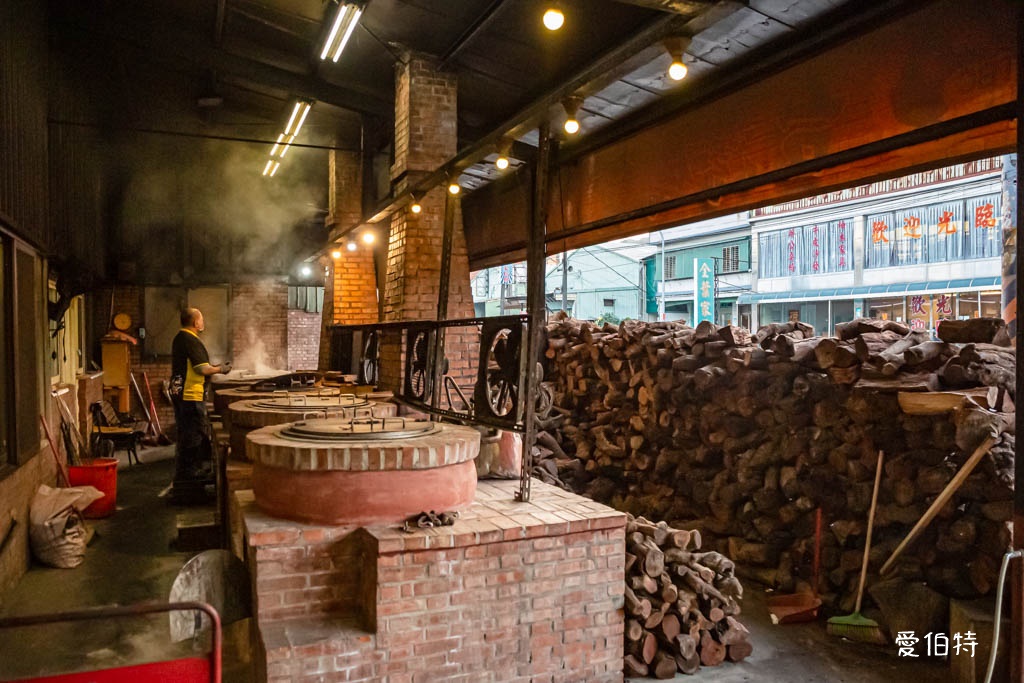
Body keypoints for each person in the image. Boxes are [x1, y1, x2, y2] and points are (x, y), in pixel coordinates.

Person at [169, 307, 231, 500]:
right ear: (196, 322)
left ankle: (184, 481)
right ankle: (190, 487)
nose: (203, 322)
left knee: (186, 436)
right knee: (193, 438)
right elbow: (202, 369)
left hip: (181, 394)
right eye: (201, 319)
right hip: (190, 396)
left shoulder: (179, 338)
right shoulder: (190, 340)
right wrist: (222, 368)